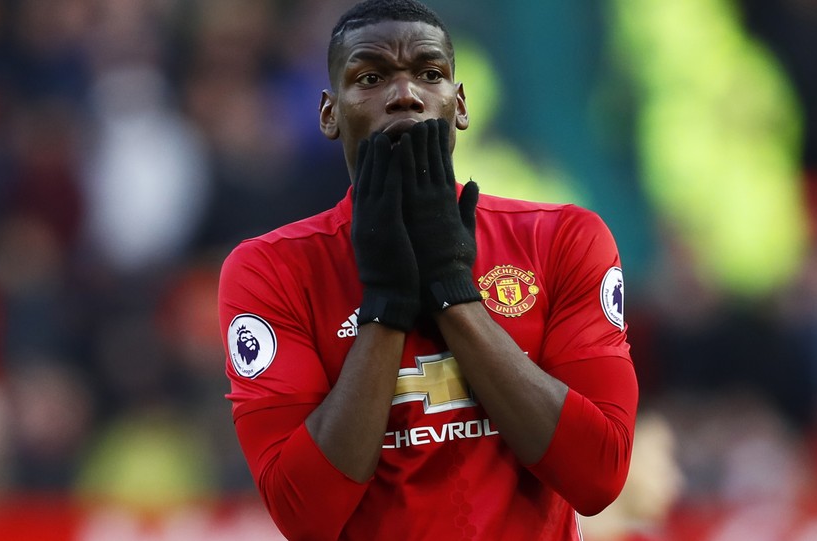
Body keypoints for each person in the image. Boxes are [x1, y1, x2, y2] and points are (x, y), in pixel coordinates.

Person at [217, 1, 638, 539]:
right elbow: (305, 514)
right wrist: (387, 307)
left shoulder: (564, 239)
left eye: (430, 74)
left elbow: (598, 477)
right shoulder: (269, 270)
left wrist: (455, 294)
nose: (405, 95)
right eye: (370, 77)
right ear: (329, 113)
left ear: (460, 104)